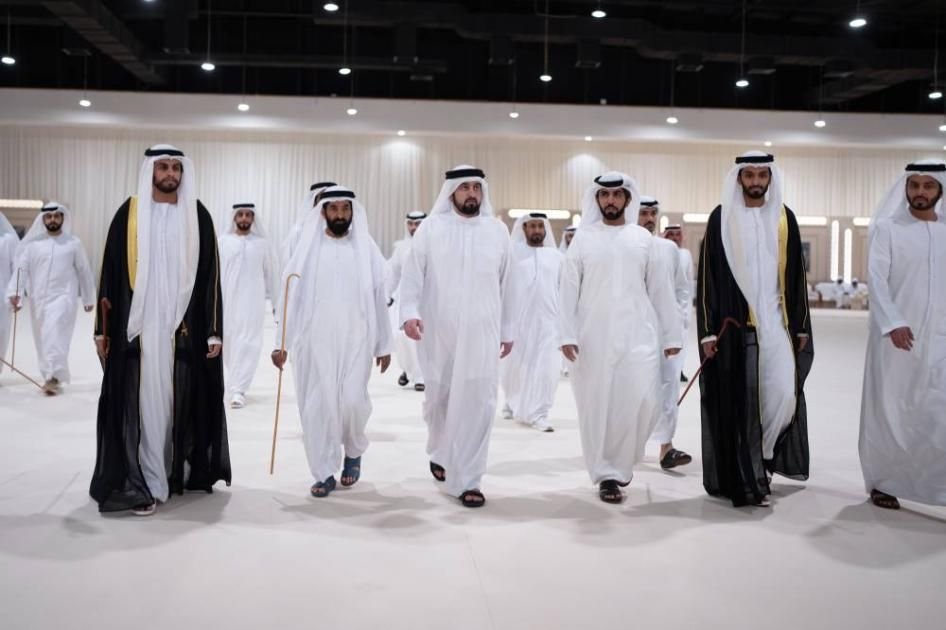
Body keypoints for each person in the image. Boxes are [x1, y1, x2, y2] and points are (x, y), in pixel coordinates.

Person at [89, 144, 231, 516]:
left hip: (184, 326)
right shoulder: (129, 214)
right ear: (151, 170)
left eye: (175, 168)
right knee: (146, 404)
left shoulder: (197, 215)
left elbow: (211, 275)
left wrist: (214, 329)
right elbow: (109, 271)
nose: (170, 174)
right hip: (140, 327)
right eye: (163, 167)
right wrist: (101, 330)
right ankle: (149, 481)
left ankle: (172, 468)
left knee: (176, 402)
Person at [697, 151, 813, 508]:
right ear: (739, 178)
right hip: (737, 325)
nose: (756, 181)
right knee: (741, 400)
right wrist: (707, 331)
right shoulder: (721, 217)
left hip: (777, 322)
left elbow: (796, 275)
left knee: (783, 395)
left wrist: (801, 324)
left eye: (762, 175)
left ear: (770, 178)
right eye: (749, 175)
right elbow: (707, 275)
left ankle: (761, 456)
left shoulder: (784, 217)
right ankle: (750, 472)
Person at [559, 173, 682, 504]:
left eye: (617, 195)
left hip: (638, 335)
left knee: (645, 400)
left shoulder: (642, 239)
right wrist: (566, 333)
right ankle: (607, 474)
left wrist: (672, 335)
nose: (610, 200)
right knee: (599, 408)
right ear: (597, 199)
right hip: (593, 337)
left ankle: (621, 461)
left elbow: (660, 289)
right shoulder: (583, 239)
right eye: (605, 195)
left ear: (627, 199)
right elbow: (568, 289)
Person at [399, 165, 516, 508]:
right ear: (451, 192)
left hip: (483, 331)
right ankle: (440, 450)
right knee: (439, 400)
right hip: (439, 330)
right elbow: (412, 275)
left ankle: (469, 479)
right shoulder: (431, 229)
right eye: (464, 188)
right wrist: (409, 312)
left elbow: (509, 283)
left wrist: (508, 329)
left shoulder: (497, 231)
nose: (471, 194)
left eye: (476, 188)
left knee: (480, 402)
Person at [272, 186, 392, 498]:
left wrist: (384, 344)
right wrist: (280, 341)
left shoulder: (365, 246)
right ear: (323, 211)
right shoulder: (307, 246)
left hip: (357, 339)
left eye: (345, 208)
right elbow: (290, 296)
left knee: (353, 401)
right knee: (318, 407)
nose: (340, 214)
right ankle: (323, 471)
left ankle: (353, 449)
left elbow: (379, 295)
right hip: (313, 341)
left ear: (352, 211)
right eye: (334, 208)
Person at [859, 160, 946, 510]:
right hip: (895, 339)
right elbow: (877, 278)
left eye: (928, 185)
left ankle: (935, 485)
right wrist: (892, 321)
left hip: (940, 337)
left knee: (935, 411)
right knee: (892, 410)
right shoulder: (888, 229)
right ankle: (883, 481)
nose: (920, 192)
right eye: (914, 185)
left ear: (940, 189)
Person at [5, 202, 95, 393]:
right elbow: (21, 270)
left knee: (55, 335)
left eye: (56, 216)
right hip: (38, 300)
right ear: (43, 219)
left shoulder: (73, 243)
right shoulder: (33, 245)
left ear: (63, 218)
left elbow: (84, 272)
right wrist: (16, 294)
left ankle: (54, 376)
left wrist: (88, 298)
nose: (53, 219)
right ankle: (49, 375)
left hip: (64, 299)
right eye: (49, 216)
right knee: (43, 339)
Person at [638, 197, 692, 468]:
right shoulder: (623, 247)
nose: (649, 218)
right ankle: (629, 449)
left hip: (666, 333)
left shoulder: (669, 249)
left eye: (652, 213)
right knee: (634, 392)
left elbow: (681, 289)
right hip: (633, 334)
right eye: (643, 213)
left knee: (668, 388)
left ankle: (666, 448)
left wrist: (677, 322)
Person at [500, 212, 562, 432]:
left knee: (548, 369)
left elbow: (564, 290)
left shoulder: (557, 257)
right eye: (532, 226)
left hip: (549, 323)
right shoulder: (512, 255)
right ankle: (513, 401)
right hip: (519, 322)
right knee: (515, 368)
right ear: (523, 229)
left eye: (540, 226)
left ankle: (539, 413)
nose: (536, 230)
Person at [218, 202, 277, 408]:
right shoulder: (222, 242)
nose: (244, 218)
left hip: (252, 304)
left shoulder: (262, 244)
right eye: (240, 214)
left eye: (248, 215)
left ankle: (239, 389)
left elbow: (272, 276)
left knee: (249, 344)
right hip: (227, 303)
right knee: (230, 344)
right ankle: (235, 383)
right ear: (234, 217)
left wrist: (277, 305)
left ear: (253, 218)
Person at [386, 211, 427, 391]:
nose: (413, 227)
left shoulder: (433, 245)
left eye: (417, 224)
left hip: (426, 300)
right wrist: (387, 294)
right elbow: (393, 274)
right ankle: (408, 370)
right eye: (410, 224)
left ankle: (420, 377)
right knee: (402, 338)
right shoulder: (401, 248)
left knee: (421, 339)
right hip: (404, 299)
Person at [664, 224, 694, 383]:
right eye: (671, 234)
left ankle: (679, 369)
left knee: (682, 342)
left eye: (677, 234)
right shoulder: (661, 251)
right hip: (664, 306)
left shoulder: (685, 254)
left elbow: (688, 284)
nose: (675, 238)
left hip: (682, 307)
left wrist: (687, 311)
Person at [283, 181, 336, 268]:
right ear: (313, 203)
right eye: (322, 200)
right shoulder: (299, 232)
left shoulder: (347, 232)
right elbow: (289, 266)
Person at [0, 211, 20, 371]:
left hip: (2, 297)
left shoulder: (9, 241)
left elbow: (17, 269)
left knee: (1, 332)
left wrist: (16, 294)